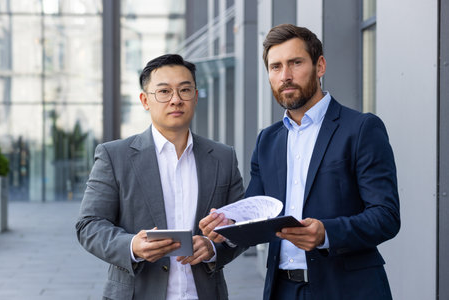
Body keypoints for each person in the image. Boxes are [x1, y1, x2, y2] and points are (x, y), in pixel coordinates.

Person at [202, 24, 400, 299]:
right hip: (283, 289)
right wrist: (227, 226)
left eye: (295, 63)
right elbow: (257, 214)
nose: (286, 76)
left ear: (320, 66)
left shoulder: (361, 129)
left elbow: (386, 216)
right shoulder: (267, 141)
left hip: (348, 289)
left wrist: (326, 233)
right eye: (275, 67)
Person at [76, 54, 245, 300]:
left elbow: (243, 226)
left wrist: (213, 248)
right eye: (164, 92)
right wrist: (132, 246)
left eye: (185, 90)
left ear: (195, 97)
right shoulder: (115, 156)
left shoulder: (223, 157)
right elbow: (88, 225)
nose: (176, 100)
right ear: (145, 100)